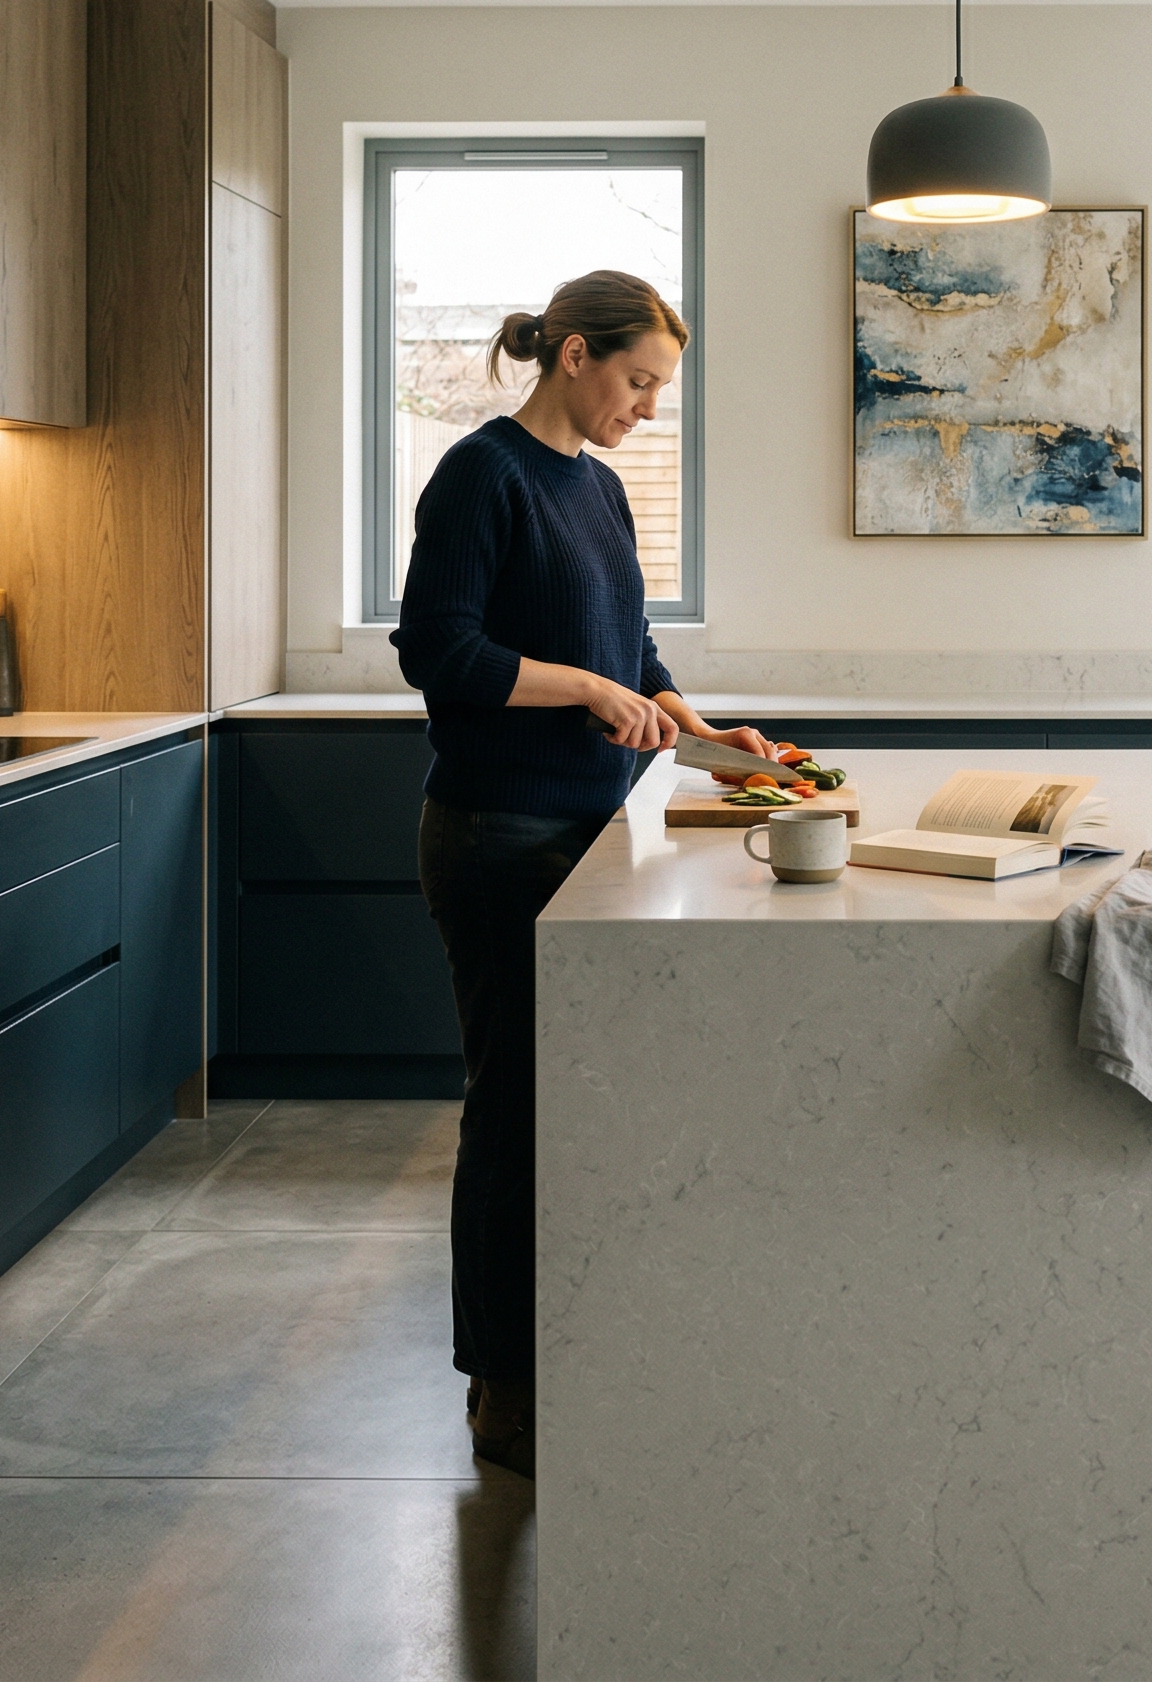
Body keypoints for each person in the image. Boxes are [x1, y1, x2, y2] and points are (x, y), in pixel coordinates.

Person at [392, 268, 773, 1480]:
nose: (647, 408)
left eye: (658, 387)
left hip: (587, 836)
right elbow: (437, 651)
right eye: (638, 380)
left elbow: (630, 648)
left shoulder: (598, 488)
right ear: (572, 356)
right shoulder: (482, 472)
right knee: (513, 1111)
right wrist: (587, 687)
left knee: (580, 1104)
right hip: (499, 836)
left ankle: (566, 1346)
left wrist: (702, 729)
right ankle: (502, 1391)